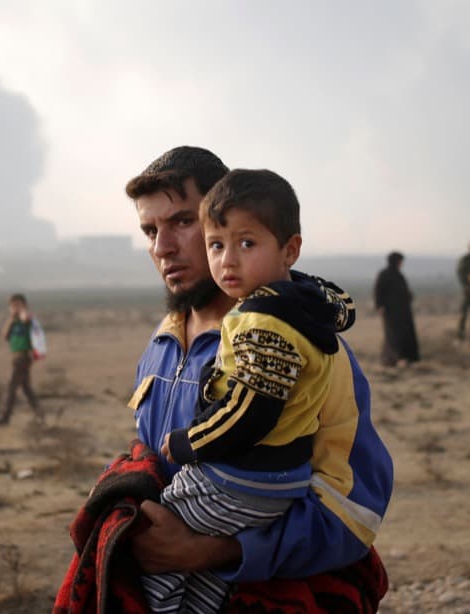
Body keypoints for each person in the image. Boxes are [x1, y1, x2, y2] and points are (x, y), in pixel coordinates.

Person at [124, 146, 393, 602]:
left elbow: (354, 512)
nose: (161, 248)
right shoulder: (163, 342)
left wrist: (208, 552)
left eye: (183, 222)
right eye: (150, 230)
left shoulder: (309, 350)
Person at [0, 293, 42, 425]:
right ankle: (39, 414)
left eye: (18, 305)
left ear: (24, 306)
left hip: (23, 357)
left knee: (11, 387)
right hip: (16, 356)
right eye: (12, 306)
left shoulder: (26, 319)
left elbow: (27, 318)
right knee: (27, 388)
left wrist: (22, 313)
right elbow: (4, 336)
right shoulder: (13, 322)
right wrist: (11, 319)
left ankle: (5, 417)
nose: (15, 308)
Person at [374, 251, 420, 367]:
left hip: (403, 311)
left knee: (405, 334)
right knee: (393, 335)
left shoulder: (399, 275)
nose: (402, 264)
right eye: (400, 261)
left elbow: (403, 291)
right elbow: (378, 291)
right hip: (391, 312)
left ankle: (405, 357)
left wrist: (408, 295)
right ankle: (396, 358)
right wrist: (379, 305)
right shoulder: (384, 274)